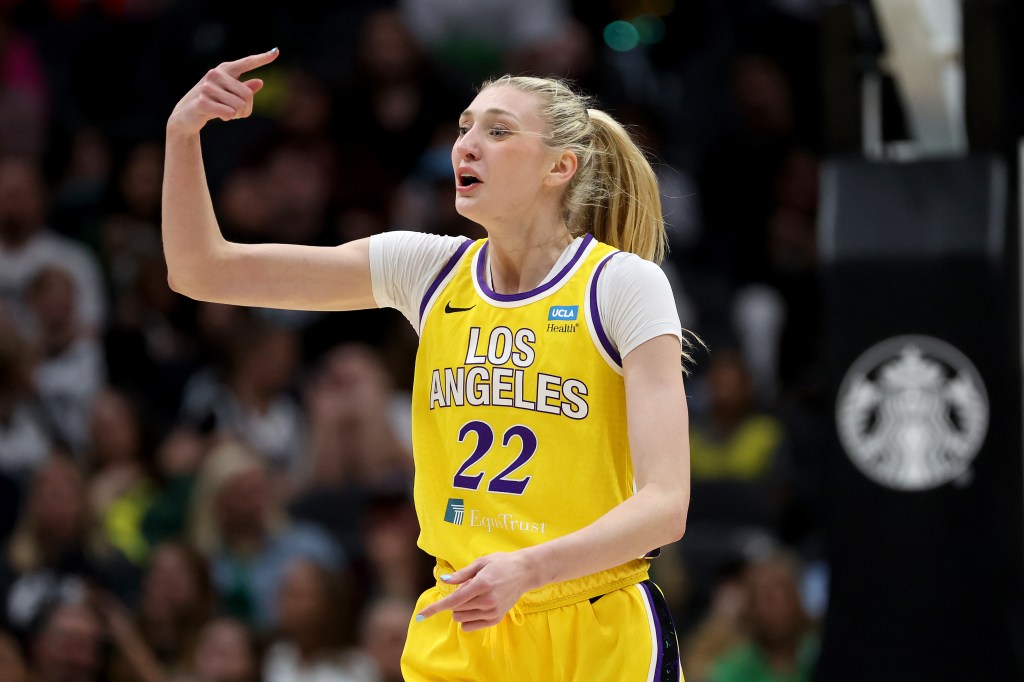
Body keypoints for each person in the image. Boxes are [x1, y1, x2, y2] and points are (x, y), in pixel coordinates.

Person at [163, 48, 692, 681]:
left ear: (561, 166)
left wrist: (528, 568)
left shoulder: (622, 284)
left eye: (497, 130)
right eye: (464, 127)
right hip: (463, 621)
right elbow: (201, 271)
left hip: (593, 623)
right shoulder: (427, 270)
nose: (467, 144)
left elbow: (666, 504)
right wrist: (182, 133)